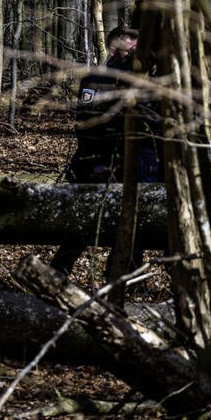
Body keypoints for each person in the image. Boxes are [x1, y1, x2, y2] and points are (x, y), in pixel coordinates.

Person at [53, 26, 162, 275]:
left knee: (136, 219)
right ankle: (60, 269)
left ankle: (125, 273)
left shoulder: (147, 78)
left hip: (140, 161)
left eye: (137, 42)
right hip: (102, 161)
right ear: (115, 48)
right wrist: (95, 161)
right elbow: (88, 123)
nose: (135, 48)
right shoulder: (97, 79)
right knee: (89, 219)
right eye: (130, 43)